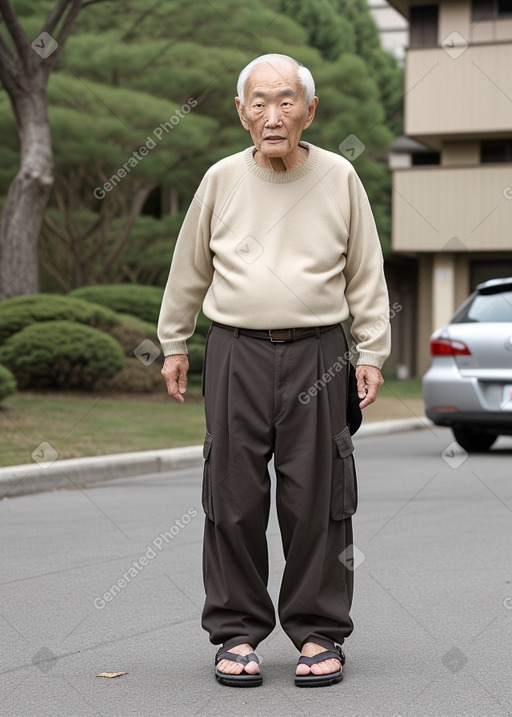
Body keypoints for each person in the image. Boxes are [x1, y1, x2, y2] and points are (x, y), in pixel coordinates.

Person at [158, 53, 391, 688]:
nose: (272, 114)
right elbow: (190, 268)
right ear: (241, 111)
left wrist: (370, 351)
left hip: (321, 351)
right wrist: (173, 342)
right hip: (236, 350)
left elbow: (365, 273)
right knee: (231, 497)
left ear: (309, 111)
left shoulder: (340, 176)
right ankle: (236, 631)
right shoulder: (220, 179)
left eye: (286, 100)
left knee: (319, 498)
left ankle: (318, 632)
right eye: (258, 101)